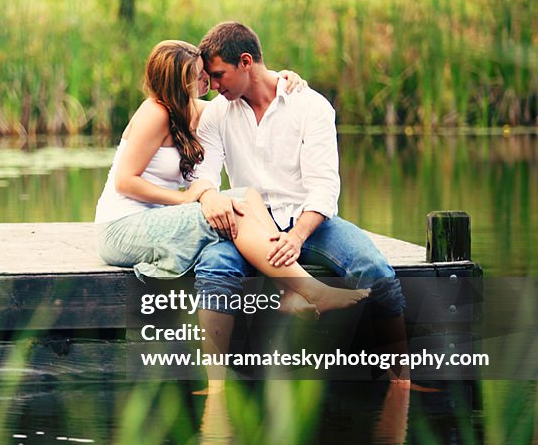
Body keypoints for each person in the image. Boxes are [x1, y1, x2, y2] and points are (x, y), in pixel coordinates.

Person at [191, 21, 409, 378]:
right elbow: (204, 174)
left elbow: (324, 187)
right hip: (249, 226)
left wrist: (296, 237)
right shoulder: (216, 113)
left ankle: (402, 381)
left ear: (246, 62)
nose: (213, 86)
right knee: (214, 267)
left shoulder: (310, 106)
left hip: (309, 222)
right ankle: (214, 386)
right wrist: (209, 197)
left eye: (219, 75)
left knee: (374, 269)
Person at [95, 39, 369, 317]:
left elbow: (248, 99)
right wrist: (184, 198)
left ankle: (290, 291)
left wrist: (280, 80)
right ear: (180, 81)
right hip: (120, 229)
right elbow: (125, 181)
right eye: (199, 75)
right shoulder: (153, 112)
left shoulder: (190, 110)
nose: (208, 81)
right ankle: (309, 290)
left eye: (209, 73)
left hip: (155, 221)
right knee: (235, 204)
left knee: (243, 197)